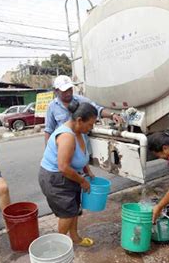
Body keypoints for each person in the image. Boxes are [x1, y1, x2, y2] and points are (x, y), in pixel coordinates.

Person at [39, 102, 97, 246]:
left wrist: (87, 170)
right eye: (90, 124)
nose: (92, 128)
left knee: (74, 209)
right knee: (68, 214)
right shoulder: (67, 136)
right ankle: (59, 246)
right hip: (56, 179)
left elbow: (80, 156)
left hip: (69, 176)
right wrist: (82, 181)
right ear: (79, 120)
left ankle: (75, 238)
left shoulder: (80, 132)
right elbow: (63, 167)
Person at [44, 75, 123, 144]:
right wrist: (48, 149)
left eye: (70, 89)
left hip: (81, 144)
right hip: (63, 145)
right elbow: (48, 130)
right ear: (56, 91)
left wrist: (112, 115)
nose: (68, 93)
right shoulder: (52, 107)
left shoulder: (81, 100)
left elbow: (97, 109)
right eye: (64, 91)